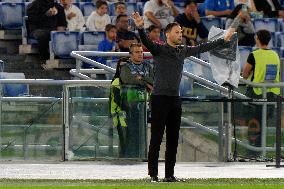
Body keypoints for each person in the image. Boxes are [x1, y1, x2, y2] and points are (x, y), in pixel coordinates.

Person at [131, 12, 235, 182]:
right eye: (177, 32)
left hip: (174, 99)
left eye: (181, 32)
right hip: (159, 98)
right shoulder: (159, 49)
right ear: (168, 34)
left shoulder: (183, 50)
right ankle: (153, 175)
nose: (180, 35)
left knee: (173, 139)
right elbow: (146, 42)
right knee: (156, 138)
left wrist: (224, 38)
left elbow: (203, 47)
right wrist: (141, 27)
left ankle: (170, 175)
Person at [242, 30, 280, 156]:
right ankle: (261, 151)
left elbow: (245, 74)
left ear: (257, 38)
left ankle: (253, 153)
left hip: (256, 94)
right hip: (272, 95)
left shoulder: (254, 55)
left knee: (254, 125)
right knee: (263, 125)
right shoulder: (275, 55)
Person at [116, 43, 154, 158]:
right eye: (137, 52)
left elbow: (153, 80)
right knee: (131, 132)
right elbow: (128, 79)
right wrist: (145, 82)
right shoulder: (125, 67)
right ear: (130, 54)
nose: (140, 54)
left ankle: (142, 154)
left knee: (143, 132)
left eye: (141, 52)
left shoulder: (148, 66)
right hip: (129, 105)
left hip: (146, 104)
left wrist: (141, 78)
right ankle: (130, 156)